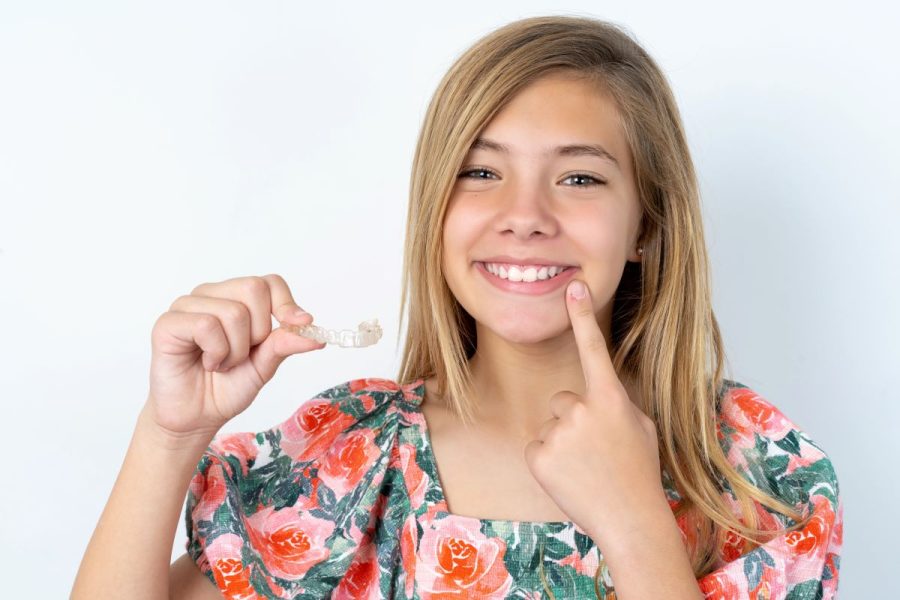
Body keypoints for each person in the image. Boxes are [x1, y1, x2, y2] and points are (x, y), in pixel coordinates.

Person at [72, 14, 843, 600]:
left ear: (647, 224)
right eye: (480, 172)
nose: (525, 215)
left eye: (579, 179)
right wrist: (171, 435)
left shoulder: (758, 477)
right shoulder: (347, 464)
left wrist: (638, 524)